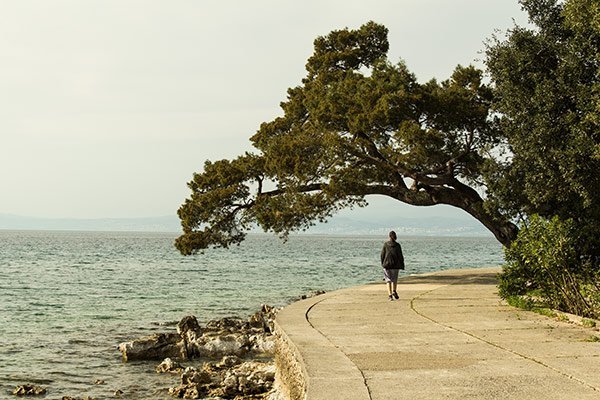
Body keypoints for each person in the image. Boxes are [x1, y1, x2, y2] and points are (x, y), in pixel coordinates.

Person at [380, 230, 405, 301]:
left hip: (387, 265)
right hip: (395, 265)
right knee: (394, 279)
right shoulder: (397, 245)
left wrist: (383, 264)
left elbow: (382, 255)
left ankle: (390, 295)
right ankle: (394, 290)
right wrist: (402, 264)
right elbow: (400, 256)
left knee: (388, 280)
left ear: (389, 236)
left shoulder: (385, 244)